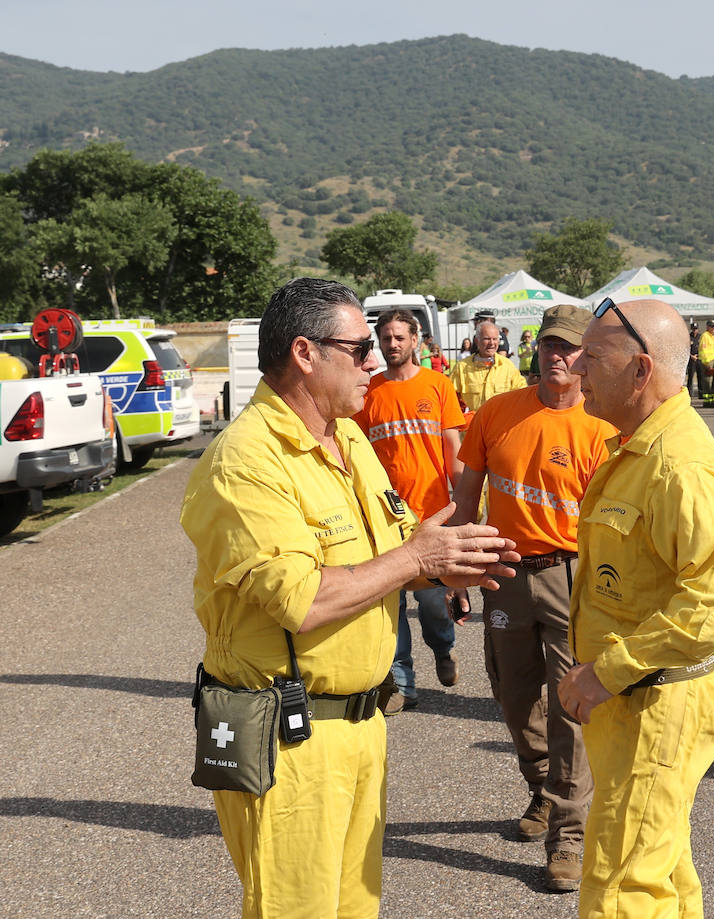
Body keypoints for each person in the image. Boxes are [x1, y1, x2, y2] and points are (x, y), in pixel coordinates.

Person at [180, 278, 518, 918]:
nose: (377, 360)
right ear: (305, 354)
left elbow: (387, 557)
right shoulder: (246, 461)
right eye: (360, 347)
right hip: (288, 737)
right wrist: (419, 558)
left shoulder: (348, 437)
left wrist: (446, 563)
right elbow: (302, 601)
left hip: (361, 724)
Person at [558, 298, 714, 919]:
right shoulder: (637, 448)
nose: (573, 371)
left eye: (591, 358)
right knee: (660, 872)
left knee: (622, 890)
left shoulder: (679, 464)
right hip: (634, 703)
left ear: (640, 370)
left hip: (653, 701)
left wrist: (607, 670)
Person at [454, 304, 616, 893]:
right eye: (550, 344)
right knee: (513, 693)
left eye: (571, 348)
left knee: (572, 703)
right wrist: (456, 574)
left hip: (574, 576)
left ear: (587, 357)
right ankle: (544, 787)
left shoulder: (604, 428)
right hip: (506, 573)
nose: (558, 355)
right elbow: (466, 500)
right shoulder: (496, 414)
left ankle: (568, 836)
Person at [353, 310, 466, 715]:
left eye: (399, 337)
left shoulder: (438, 386)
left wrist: (463, 508)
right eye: (385, 339)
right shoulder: (369, 392)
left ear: (416, 340)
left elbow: (454, 453)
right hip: (383, 521)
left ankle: (443, 647)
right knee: (391, 602)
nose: (392, 345)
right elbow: (355, 451)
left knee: (435, 604)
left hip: (432, 516)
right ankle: (402, 683)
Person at [448, 320, 525, 417]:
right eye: (487, 339)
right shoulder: (462, 367)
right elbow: (449, 398)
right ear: (477, 340)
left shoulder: (507, 366)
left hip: (500, 428)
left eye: (495, 339)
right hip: (473, 429)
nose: (492, 343)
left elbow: (521, 395)